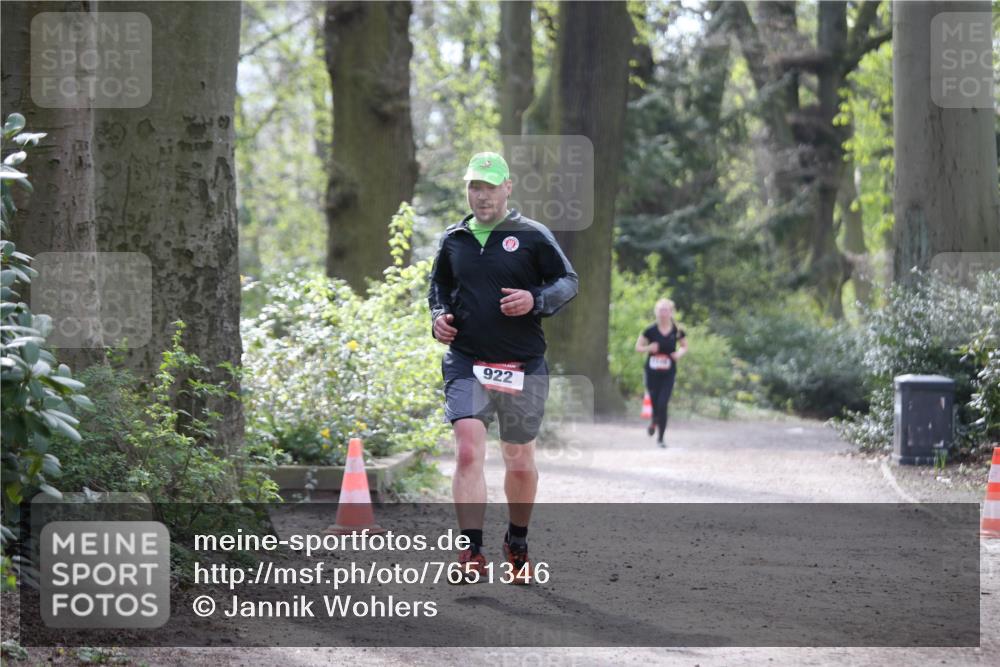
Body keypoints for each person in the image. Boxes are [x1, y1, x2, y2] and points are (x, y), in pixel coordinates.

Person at [428, 151, 578, 584]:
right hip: (467, 361)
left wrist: (537, 300)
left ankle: (517, 540)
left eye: (490, 187)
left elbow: (568, 282)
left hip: (522, 365)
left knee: (518, 460)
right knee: (469, 449)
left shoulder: (531, 235)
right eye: (475, 186)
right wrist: (437, 316)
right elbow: (438, 286)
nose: (482, 196)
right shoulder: (453, 239)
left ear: (508, 188)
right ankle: (471, 550)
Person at [635, 298, 688, 447]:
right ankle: (654, 420)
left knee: (663, 403)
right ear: (656, 312)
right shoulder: (650, 330)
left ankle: (661, 438)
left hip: (668, 373)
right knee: (654, 401)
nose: (663, 313)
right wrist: (649, 348)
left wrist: (679, 354)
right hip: (652, 372)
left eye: (666, 310)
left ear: (671, 312)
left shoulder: (677, 331)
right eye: (660, 310)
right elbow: (638, 347)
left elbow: (684, 347)